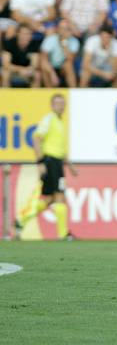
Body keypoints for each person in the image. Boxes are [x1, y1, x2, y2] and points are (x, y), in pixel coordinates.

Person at [14, 94, 77, 240]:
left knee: (50, 198)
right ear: (52, 105)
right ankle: (63, 234)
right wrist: (41, 162)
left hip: (57, 162)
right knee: (60, 196)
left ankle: (21, 220)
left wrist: (70, 164)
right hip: (50, 162)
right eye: (58, 103)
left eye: (63, 103)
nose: (61, 106)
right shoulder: (49, 119)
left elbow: (59, 148)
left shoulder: (60, 121)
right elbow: (36, 138)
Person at [40, 18, 79, 87]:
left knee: (68, 65)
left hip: (63, 68)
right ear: (57, 29)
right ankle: (49, 92)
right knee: (43, 66)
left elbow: (70, 59)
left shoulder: (74, 41)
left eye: (66, 29)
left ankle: (74, 92)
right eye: (62, 28)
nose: (64, 31)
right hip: (51, 67)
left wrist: (64, 42)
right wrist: (52, 73)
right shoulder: (50, 39)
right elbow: (44, 60)